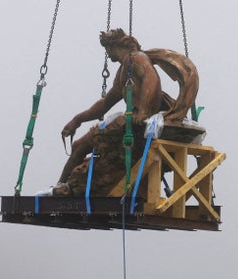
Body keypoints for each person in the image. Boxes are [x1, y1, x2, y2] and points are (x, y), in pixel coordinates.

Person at [53, 28, 196, 196]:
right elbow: (106, 103)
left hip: (141, 123)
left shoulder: (135, 58)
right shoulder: (123, 72)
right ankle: (64, 185)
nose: (108, 54)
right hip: (137, 121)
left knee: (81, 144)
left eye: (107, 49)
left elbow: (152, 79)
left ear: (114, 46)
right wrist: (78, 119)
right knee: (80, 145)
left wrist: (143, 111)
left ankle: (63, 185)